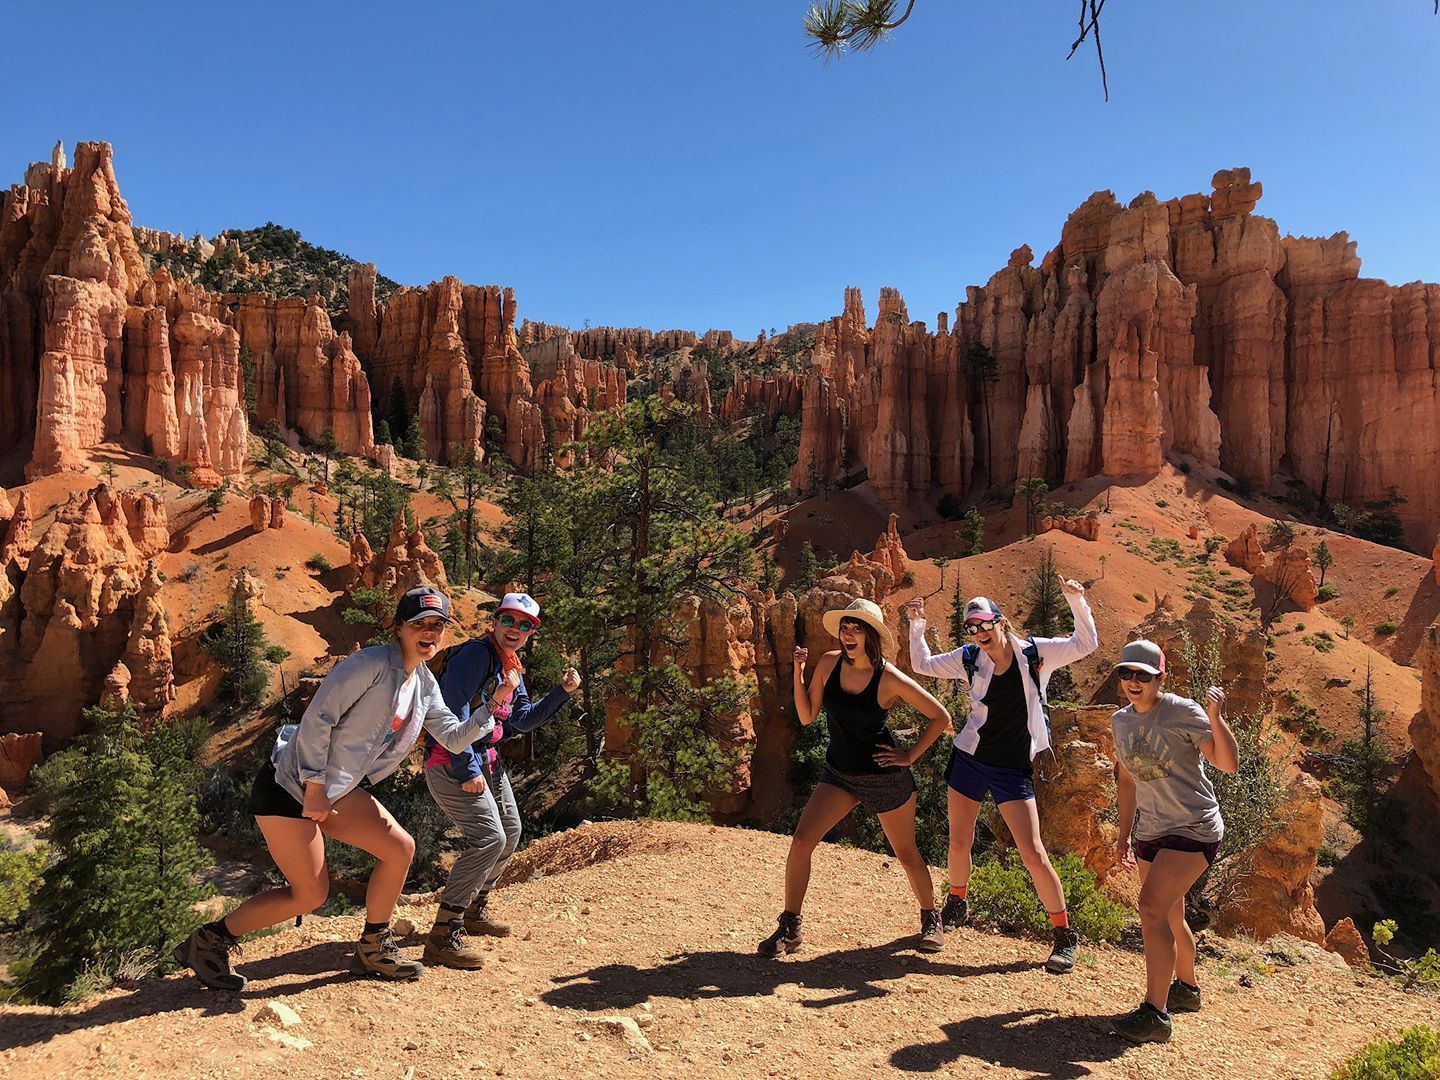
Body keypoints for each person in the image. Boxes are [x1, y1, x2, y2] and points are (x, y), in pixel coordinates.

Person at [173, 586, 505, 990]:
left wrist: (491, 706)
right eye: (420, 624)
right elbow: (319, 719)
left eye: (437, 626)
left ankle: (374, 947)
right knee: (309, 895)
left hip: (335, 789)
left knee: (399, 848)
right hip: (290, 785)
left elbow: (452, 737)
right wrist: (313, 786)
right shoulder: (369, 665)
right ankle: (209, 942)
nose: (430, 632)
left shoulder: (423, 684)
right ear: (399, 627)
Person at [906, 576, 1098, 973]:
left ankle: (1063, 934)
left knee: (1033, 852)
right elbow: (921, 664)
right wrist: (917, 624)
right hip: (970, 758)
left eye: (984, 624)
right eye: (972, 628)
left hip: (1012, 766)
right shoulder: (969, 657)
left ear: (1000, 621)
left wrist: (1075, 601)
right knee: (960, 841)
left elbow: (1085, 644)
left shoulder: (1035, 653)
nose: (979, 633)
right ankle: (956, 904)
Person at [759, 598, 953, 958]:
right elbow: (806, 716)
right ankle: (790, 927)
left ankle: (931, 919)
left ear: (870, 635)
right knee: (801, 841)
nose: (848, 634)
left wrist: (908, 756)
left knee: (906, 853)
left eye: (857, 628)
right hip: (840, 773)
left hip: (883, 776)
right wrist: (798, 673)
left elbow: (940, 717)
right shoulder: (829, 663)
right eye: (845, 627)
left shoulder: (888, 677)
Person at [419, 591, 581, 968]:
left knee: (510, 830)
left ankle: (475, 907)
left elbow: (521, 719)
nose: (515, 629)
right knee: (489, 838)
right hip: (452, 760)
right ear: (495, 621)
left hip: (487, 759)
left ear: (530, 633)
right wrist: (468, 770)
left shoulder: (511, 663)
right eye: (509, 620)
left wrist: (563, 692)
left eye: (525, 625)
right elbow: (450, 717)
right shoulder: (476, 656)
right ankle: (444, 932)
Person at [1108, 639, 1238, 1044]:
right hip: (1151, 832)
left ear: (1160, 678)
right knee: (1167, 915)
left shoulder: (1183, 711)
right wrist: (1124, 834)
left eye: (1143, 676)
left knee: (1149, 907)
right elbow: (1127, 779)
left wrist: (1216, 717)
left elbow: (1227, 763)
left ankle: (1155, 1013)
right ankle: (1187, 989)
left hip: (1193, 827)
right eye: (1126, 674)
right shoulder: (1121, 721)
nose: (1133, 681)